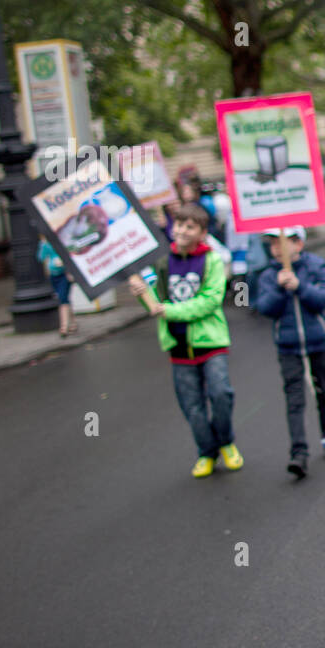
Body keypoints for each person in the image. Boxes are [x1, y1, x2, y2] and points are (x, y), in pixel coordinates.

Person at [128, 203, 243, 478]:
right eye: (178, 224)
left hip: (210, 342)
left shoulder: (212, 260)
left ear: (202, 233)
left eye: (189, 226)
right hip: (177, 347)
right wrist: (141, 295)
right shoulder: (162, 261)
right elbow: (155, 303)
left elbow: (210, 301)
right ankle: (207, 452)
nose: (181, 230)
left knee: (220, 394)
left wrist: (169, 311)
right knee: (191, 405)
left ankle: (226, 442)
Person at [255, 227, 325, 479]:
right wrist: (280, 288)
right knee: (294, 397)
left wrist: (300, 287)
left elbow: (324, 298)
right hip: (287, 345)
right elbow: (264, 308)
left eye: (282, 243)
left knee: (322, 389)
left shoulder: (316, 266)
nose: (277, 249)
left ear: (298, 244)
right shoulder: (267, 275)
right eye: (272, 244)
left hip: (316, 341)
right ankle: (298, 453)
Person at [37, 237, 77, 337]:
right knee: (64, 299)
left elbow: (71, 254)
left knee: (62, 298)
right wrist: (42, 245)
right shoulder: (45, 243)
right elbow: (41, 258)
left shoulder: (62, 239)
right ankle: (73, 322)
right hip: (53, 275)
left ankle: (64, 327)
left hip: (65, 274)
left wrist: (70, 271)